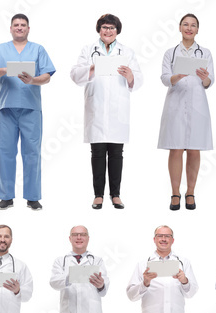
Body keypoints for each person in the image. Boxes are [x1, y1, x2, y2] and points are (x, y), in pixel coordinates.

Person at [0, 13, 55, 210]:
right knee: (5, 152)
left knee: (32, 153)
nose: (20, 27)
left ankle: (32, 197)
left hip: (31, 108)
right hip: (7, 108)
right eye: (16, 25)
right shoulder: (1, 49)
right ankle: (6, 196)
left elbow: (47, 76)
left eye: (23, 25)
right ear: (10, 28)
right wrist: (5, 70)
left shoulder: (38, 49)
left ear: (28, 29)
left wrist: (33, 80)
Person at [70, 13, 141, 209]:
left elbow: (139, 79)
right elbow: (75, 75)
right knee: (98, 153)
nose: (108, 31)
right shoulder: (88, 50)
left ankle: (116, 195)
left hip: (118, 109)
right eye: (104, 27)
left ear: (117, 30)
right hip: (96, 107)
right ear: (99, 30)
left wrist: (130, 75)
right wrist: (91, 68)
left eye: (111, 28)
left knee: (117, 153)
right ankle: (98, 195)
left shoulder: (126, 52)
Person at [159, 13, 213, 211]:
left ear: (198, 29)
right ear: (180, 28)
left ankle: (190, 192)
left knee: (193, 148)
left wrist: (205, 77)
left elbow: (209, 82)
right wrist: (176, 76)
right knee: (175, 148)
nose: (189, 28)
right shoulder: (171, 53)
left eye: (193, 25)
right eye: (185, 24)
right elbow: (164, 78)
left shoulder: (205, 53)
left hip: (198, 105)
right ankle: (175, 193)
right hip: (175, 103)